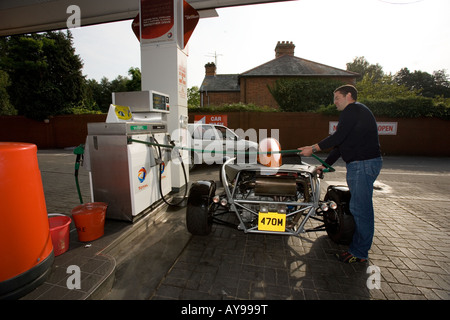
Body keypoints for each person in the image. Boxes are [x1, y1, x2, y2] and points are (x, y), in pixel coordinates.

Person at [298, 84, 382, 264]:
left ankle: (359, 253)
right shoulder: (356, 113)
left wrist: (312, 148)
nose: (334, 102)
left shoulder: (353, 110)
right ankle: (359, 248)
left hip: (362, 165)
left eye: (337, 98)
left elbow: (338, 137)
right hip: (361, 165)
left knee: (361, 210)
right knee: (359, 208)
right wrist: (325, 164)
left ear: (348, 96)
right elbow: (340, 144)